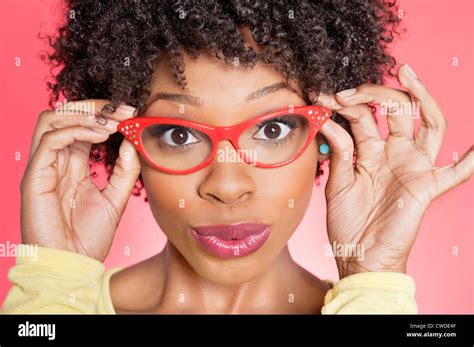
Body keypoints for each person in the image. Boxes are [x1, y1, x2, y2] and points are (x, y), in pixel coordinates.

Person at [3, 0, 473, 314]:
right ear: (127, 144)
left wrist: (374, 280)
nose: (227, 186)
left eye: (273, 128)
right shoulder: (58, 308)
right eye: (179, 134)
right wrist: (55, 279)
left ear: (329, 134)